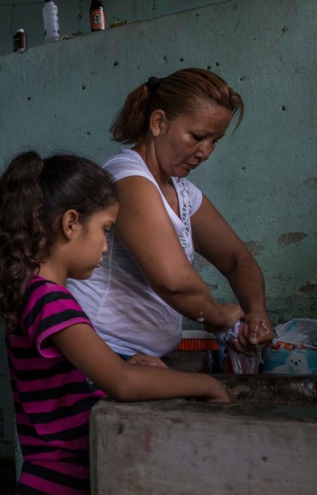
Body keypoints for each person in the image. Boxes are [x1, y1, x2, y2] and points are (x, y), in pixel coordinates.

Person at [0, 153, 231, 495]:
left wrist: (140, 369)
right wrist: (205, 386)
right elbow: (120, 382)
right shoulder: (49, 301)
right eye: (105, 230)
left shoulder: (41, 295)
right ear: (71, 224)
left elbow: (91, 377)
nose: (106, 247)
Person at [68, 67, 274, 361]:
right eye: (197, 136)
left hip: (136, 359)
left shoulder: (183, 192)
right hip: (101, 355)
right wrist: (219, 318)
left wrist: (257, 313)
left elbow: (237, 259)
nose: (206, 152)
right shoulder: (126, 178)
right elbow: (173, 281)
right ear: (159, 122)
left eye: (215, 141)